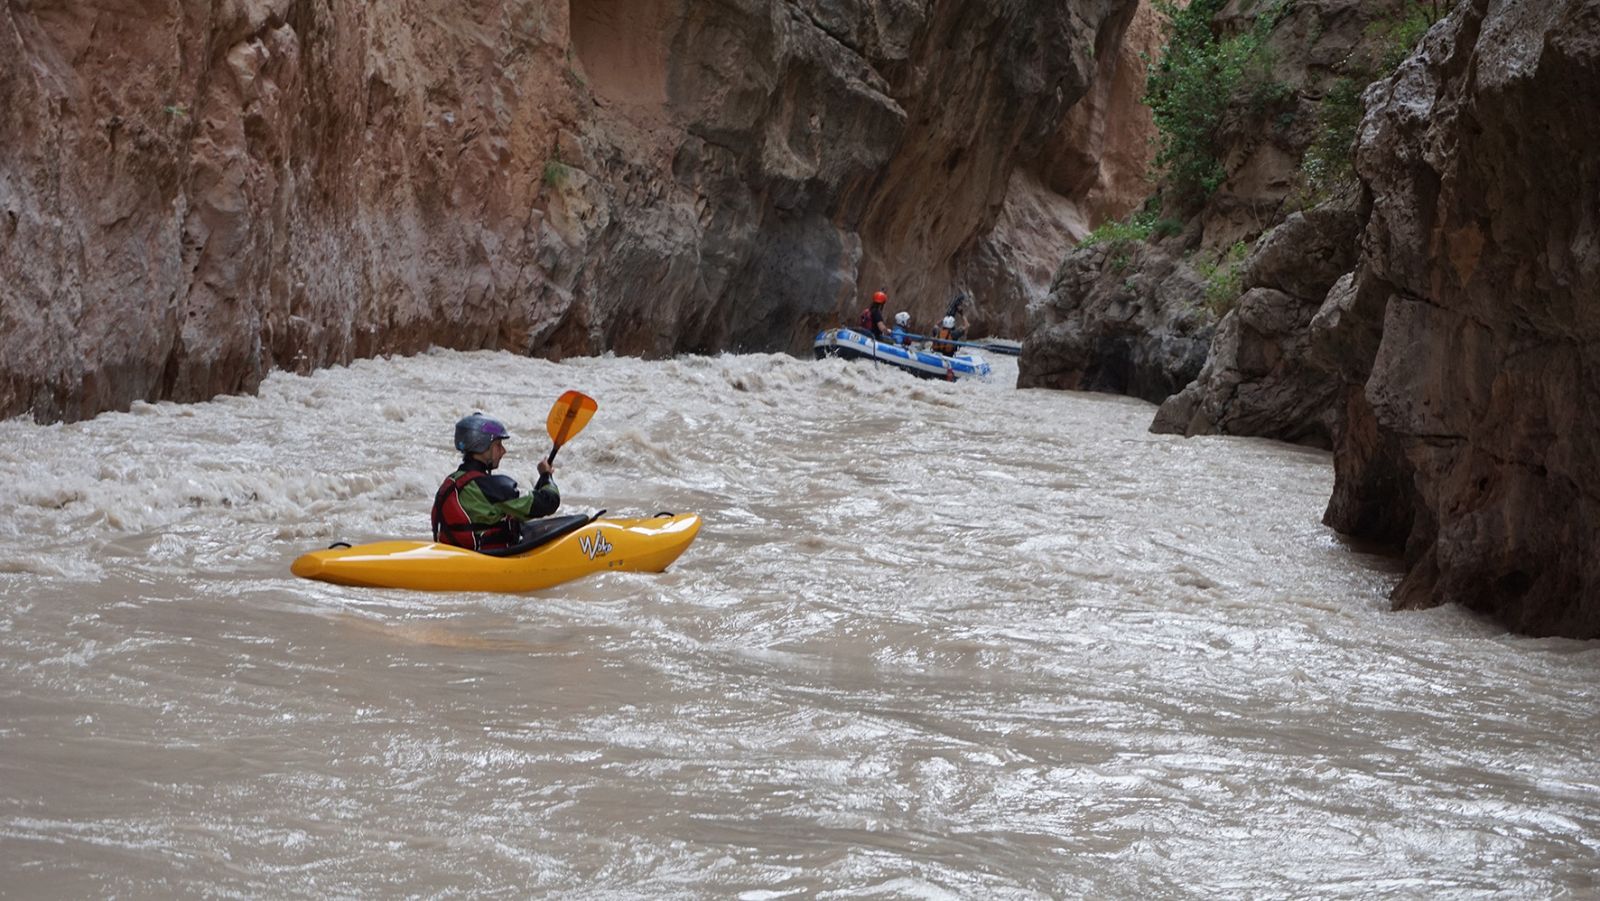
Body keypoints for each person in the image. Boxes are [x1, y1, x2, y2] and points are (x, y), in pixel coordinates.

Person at [432, 413, 560, 551]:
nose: (503, 451)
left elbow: (520, 509)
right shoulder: (492, 488)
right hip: (488, 558)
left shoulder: (451, 481)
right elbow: (549, 501)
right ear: (482, 446)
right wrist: (546, 475)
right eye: (498, 445)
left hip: (457, 555)